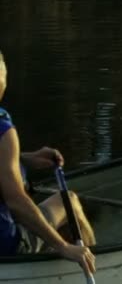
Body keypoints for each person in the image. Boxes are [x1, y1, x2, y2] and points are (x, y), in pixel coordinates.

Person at [0, 51, 95, 274]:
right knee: (69, 201)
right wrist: (63, 247)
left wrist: (22, 158)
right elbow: (16, 203)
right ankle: (97, 265)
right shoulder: (3, 131)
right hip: (4, 246)